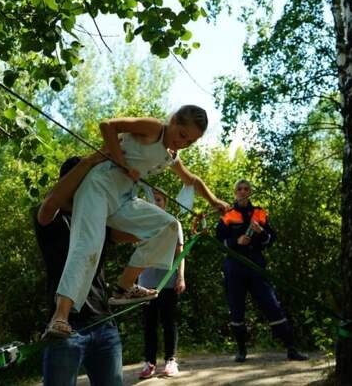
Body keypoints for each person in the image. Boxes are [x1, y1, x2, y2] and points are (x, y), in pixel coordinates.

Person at [46, 105, 230, 338]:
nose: (183, 143)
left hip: (124, 197)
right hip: (99, 187)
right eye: (182, 135)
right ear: (173, 121)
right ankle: (59, 317)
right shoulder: (154, 128)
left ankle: (124, 287)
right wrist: (123, 163)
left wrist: (214, 201)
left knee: (170, 226)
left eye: (190, 142)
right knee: (88, 245)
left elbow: (191, 180)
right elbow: (108, 126)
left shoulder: (172, 155)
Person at [34, 154, 137, 386]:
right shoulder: (51, 216)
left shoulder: (98, 217)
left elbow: (137, 232)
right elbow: (52, 200)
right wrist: (91, 161)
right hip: (64, 328)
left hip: (104, 323)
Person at [215, 179, 307, 362]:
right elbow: (220, 242)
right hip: (234, 267)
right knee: (236, 309)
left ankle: (291, 348)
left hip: (256, 265)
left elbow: (270, 240)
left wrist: (261, 233)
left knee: (272, 304)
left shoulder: (260, 212)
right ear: (235, 192)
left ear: (250, 192)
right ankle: (241, 351)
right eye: (239, 189)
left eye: (246, 189)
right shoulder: (227, 214)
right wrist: (235, 242)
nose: (242, 191)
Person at [137, 189, 186, 378]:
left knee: (168, 322)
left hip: (168, 281)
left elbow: (180, 254)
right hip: (145, 283)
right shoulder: (141, 224)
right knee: (149, 324)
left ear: (165, 203)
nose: (156, 203)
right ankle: (149, 363)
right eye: (152, 200)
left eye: (159, 200)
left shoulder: (174, 224)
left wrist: (181, 277)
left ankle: (171, 360)